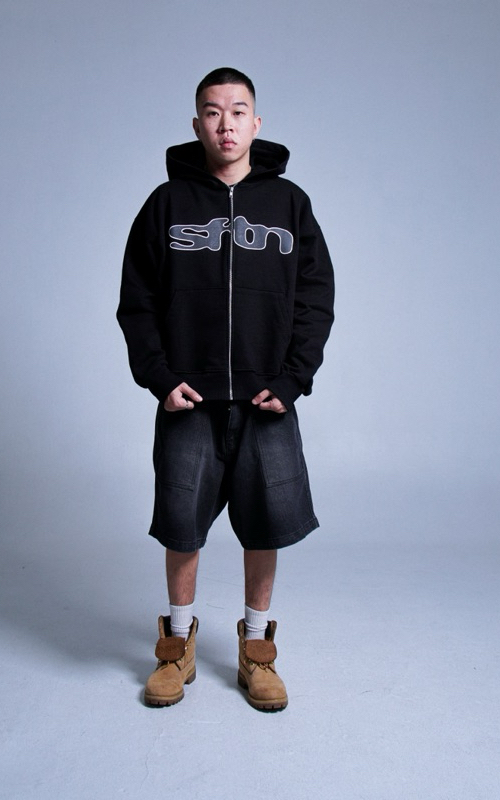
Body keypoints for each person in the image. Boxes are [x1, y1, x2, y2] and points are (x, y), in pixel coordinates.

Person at [117, 67, 334, 711]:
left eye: (238, 111)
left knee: (263, 522)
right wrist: (160, 378)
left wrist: (292, 379)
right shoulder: (166, 205)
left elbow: (315, 300)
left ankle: (257, 648)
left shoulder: (290, 204)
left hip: (268, 399)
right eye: (212, 112)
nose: (226, 124)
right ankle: (176, 646)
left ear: (256, 123)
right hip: (189, 397)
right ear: (197, 125)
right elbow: (137, 302)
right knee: (181, 523)